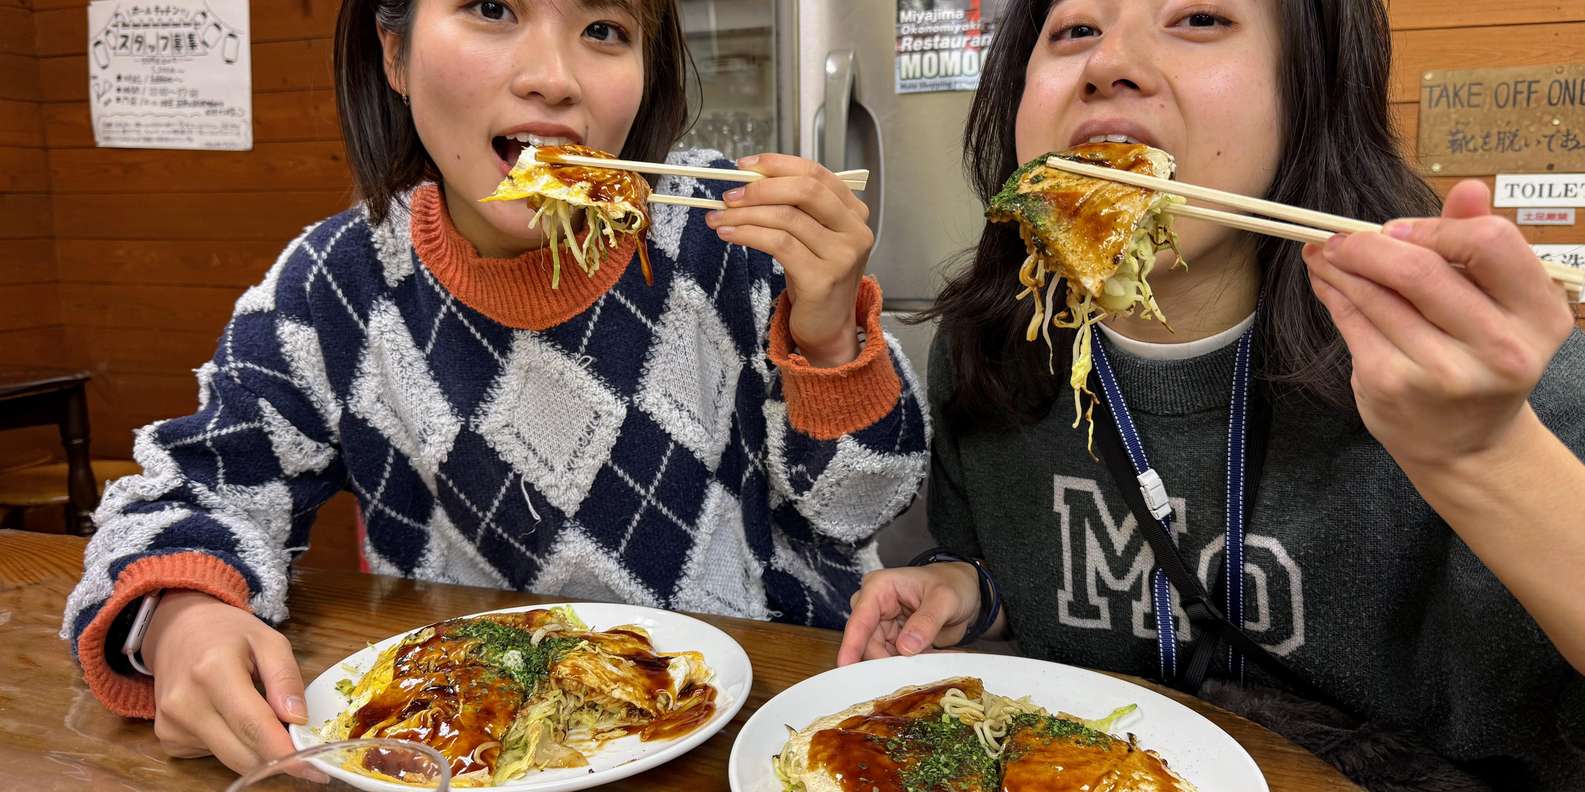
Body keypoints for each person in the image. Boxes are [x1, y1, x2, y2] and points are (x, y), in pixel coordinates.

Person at [61, 0, 929, 775]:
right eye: (490, 8)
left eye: (603, 30)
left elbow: (861, 507)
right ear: (393, 55)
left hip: (766, 723)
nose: (553, 77)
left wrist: (829, 335)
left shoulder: (726, 238)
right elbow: (194, 485)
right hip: (474, 744)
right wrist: (181, 616)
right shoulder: (339, 283)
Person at [838, 0, 1585, 788]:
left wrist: (1483, 455)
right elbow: (1033, 589)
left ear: (1309, 89)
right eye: (1074, 31)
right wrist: (972, 590)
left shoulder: (1472, 375)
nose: (1107, 63)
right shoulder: (993, 349)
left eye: (1198, 19)